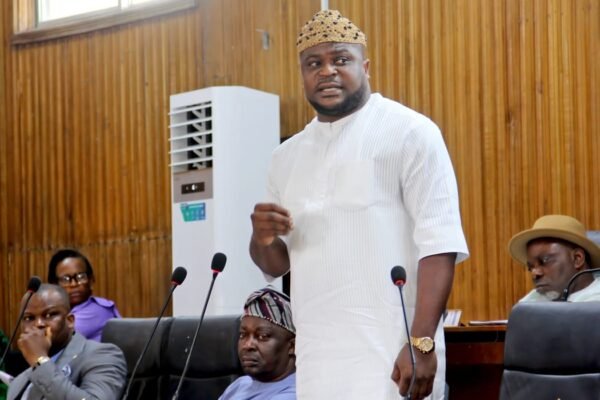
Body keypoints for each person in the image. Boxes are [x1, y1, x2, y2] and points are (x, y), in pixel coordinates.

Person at [249, 9, 468, 400]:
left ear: (364, 67)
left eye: (340, 59)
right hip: (318, 362)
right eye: (313, 63)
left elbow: (439, 245)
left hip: (392, 356)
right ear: (302, 74)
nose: (327, 71)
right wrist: (261, 238)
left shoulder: (411, 132)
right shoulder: (285, 158)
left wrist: (421, 344)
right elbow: (277, 264)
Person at [7, 284, 127, 400]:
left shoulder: (102, 355)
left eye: (49, 315)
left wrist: (40, 361)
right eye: (29, 318)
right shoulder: (19, 382)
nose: (39, 324)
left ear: (70, 321)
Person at [219, 287, 296, 400]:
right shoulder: (240, 384)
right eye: (243, 335)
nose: (247, 345)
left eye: (262, 336)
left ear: (292, 346)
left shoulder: (295, 393)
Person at [508, 214, 600, 302]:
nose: (535, 273)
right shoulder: (531, 301)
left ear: (577, 258)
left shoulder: (595, 301)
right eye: (530, 267)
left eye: (545, 261)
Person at [47, 249, 121, 341]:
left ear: (91, 280)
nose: (74, 284)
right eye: (65, 279)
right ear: (54, 285)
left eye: (80, 277)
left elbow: (52, 338)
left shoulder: (98, 310)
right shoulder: (59, 311)